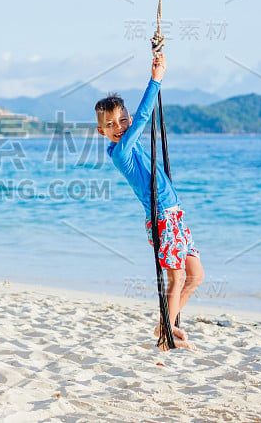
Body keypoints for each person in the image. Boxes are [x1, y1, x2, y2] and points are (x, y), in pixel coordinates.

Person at [94, 54, 204, 350]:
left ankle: (165, 323)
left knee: (196, 275)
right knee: (177, 278)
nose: (118, 126)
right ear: (101, 132)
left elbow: (139, 120)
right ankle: (166, 333)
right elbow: (143, 117)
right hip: (161, 218)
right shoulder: (121, 153)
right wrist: (156, 79)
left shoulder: (132, 143)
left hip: (175, 214)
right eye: (110, 124)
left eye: (122, 120)